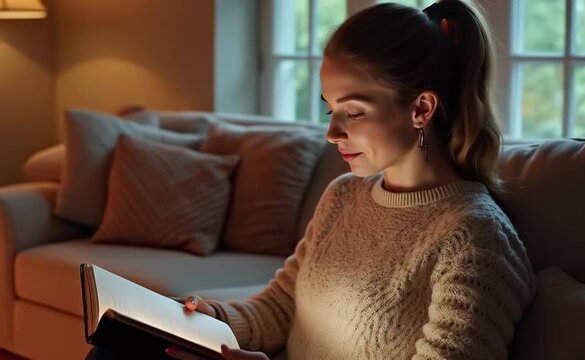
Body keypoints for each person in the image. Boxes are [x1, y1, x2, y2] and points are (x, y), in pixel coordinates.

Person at [86, 1, 534, 359]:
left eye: (353, 113)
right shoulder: (344, 195)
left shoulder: (473, 237)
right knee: (118, 347)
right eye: (330, 109)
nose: (332, 133)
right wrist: (213, 318)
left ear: (421, 109)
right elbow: (281, 307)